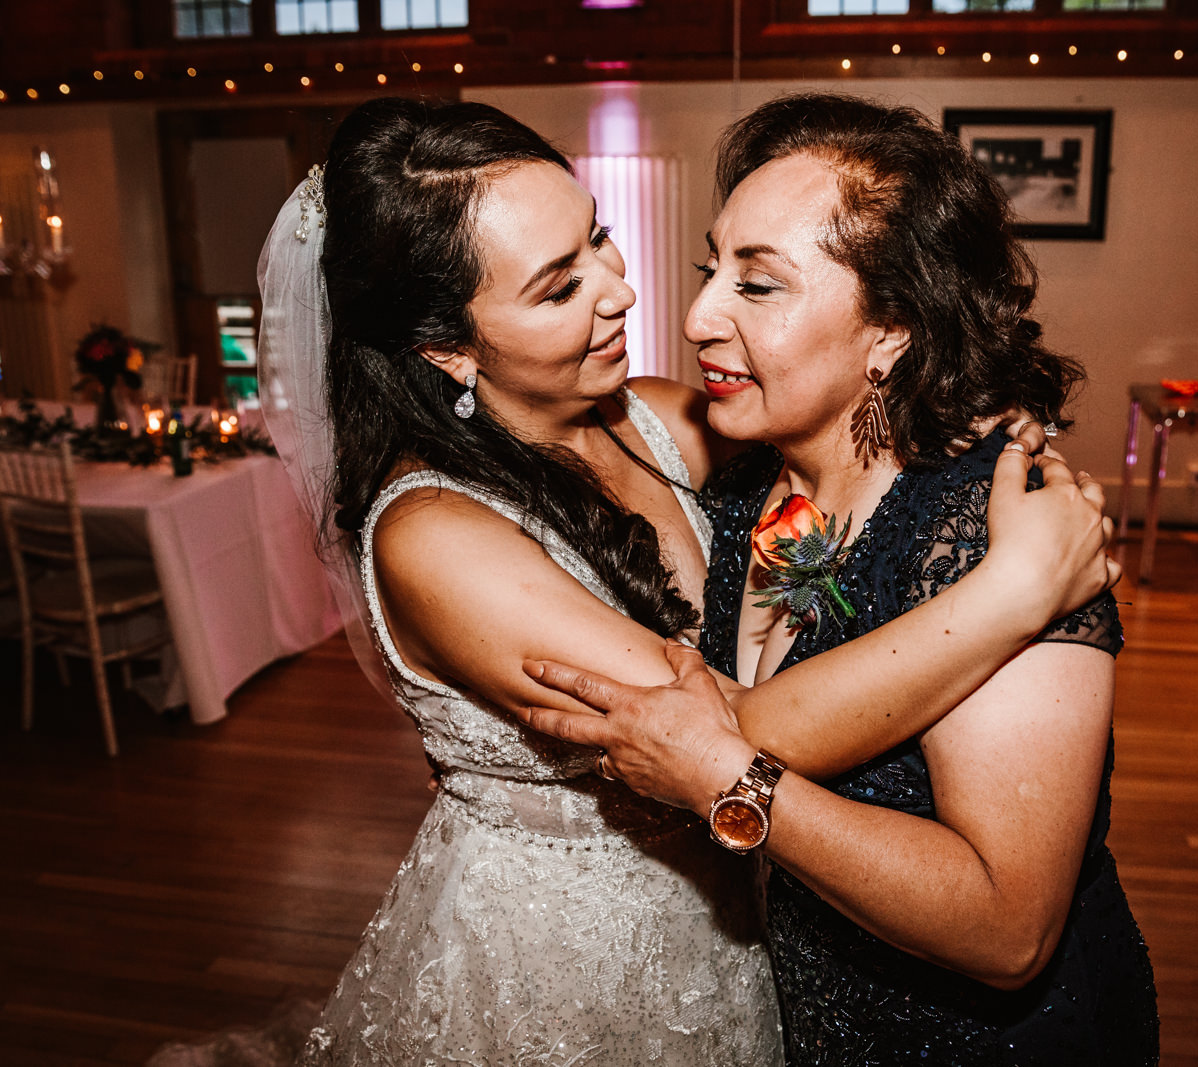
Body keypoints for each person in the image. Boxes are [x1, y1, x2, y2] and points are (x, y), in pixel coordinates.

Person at [248, 97, 1120, 1065]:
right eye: (556, 286)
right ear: (448, 346)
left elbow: (853, 430)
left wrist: (976, 417)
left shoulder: (659, 422)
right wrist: (1010, 596)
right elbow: (712, 728)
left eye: (599, 239)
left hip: (752, 938)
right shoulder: (433, 534)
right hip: (563, 965)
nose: (629, 293)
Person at [523, 93, 1159, 1065]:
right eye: (710, 268)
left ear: (893, 326)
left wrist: (727, 784)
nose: (696, 315)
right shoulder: (742, 481)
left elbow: (1006, 928)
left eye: (759, 285)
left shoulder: (992, 526)